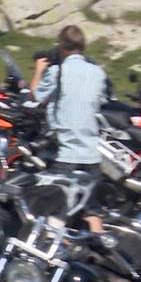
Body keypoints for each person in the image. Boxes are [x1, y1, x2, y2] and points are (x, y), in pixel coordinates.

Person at [31, 25, 108, 231]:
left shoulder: (58, 71)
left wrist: (39, 70)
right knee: (92, 211)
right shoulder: (98, 72)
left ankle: (55, 252)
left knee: (56, 211)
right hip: (92, 153)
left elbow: (35, 95)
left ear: (61, 47)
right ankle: (99, 248)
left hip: (67, 154)